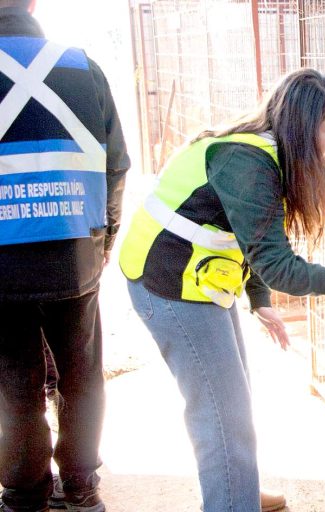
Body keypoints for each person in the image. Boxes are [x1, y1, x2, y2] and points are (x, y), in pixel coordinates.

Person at [118, 67, 325, 512]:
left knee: (233, 402)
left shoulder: (274, 154)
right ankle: (232, 501)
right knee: (221, 415)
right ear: (301, 129)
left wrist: (259, 300)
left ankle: (236, 490)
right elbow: (282, 266)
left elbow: (258, 236)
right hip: (166, 282)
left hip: (202, 275)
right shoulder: (246, 162)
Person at [0, 0, 131, 511]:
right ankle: (80, 486)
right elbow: (116, 163)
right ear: (33, 4)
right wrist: (105, 238)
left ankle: (23, 494)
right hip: (75, 250)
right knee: (81, 372)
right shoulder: (82, 66)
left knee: (13, 381)